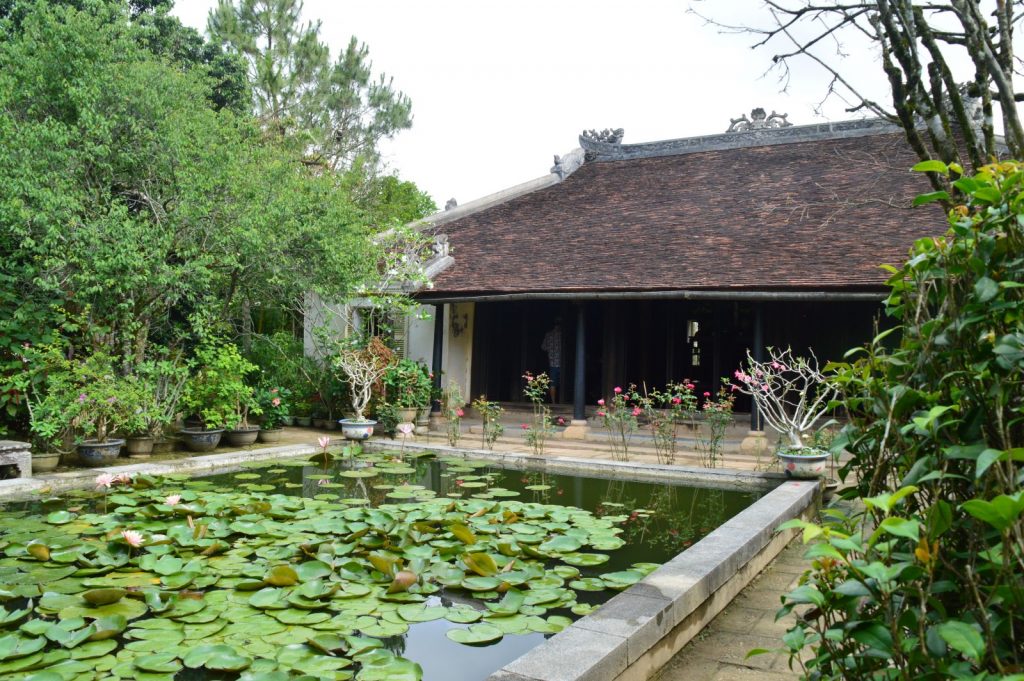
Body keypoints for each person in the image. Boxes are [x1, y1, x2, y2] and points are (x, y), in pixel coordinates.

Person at [541, 319, 562, 403]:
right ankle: (561, 401)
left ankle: (553, 402)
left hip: (552, 362)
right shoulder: (562, 335)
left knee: (553, 383)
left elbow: (543, 347)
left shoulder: (548, 335)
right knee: (561, 382)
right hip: (562, 363)